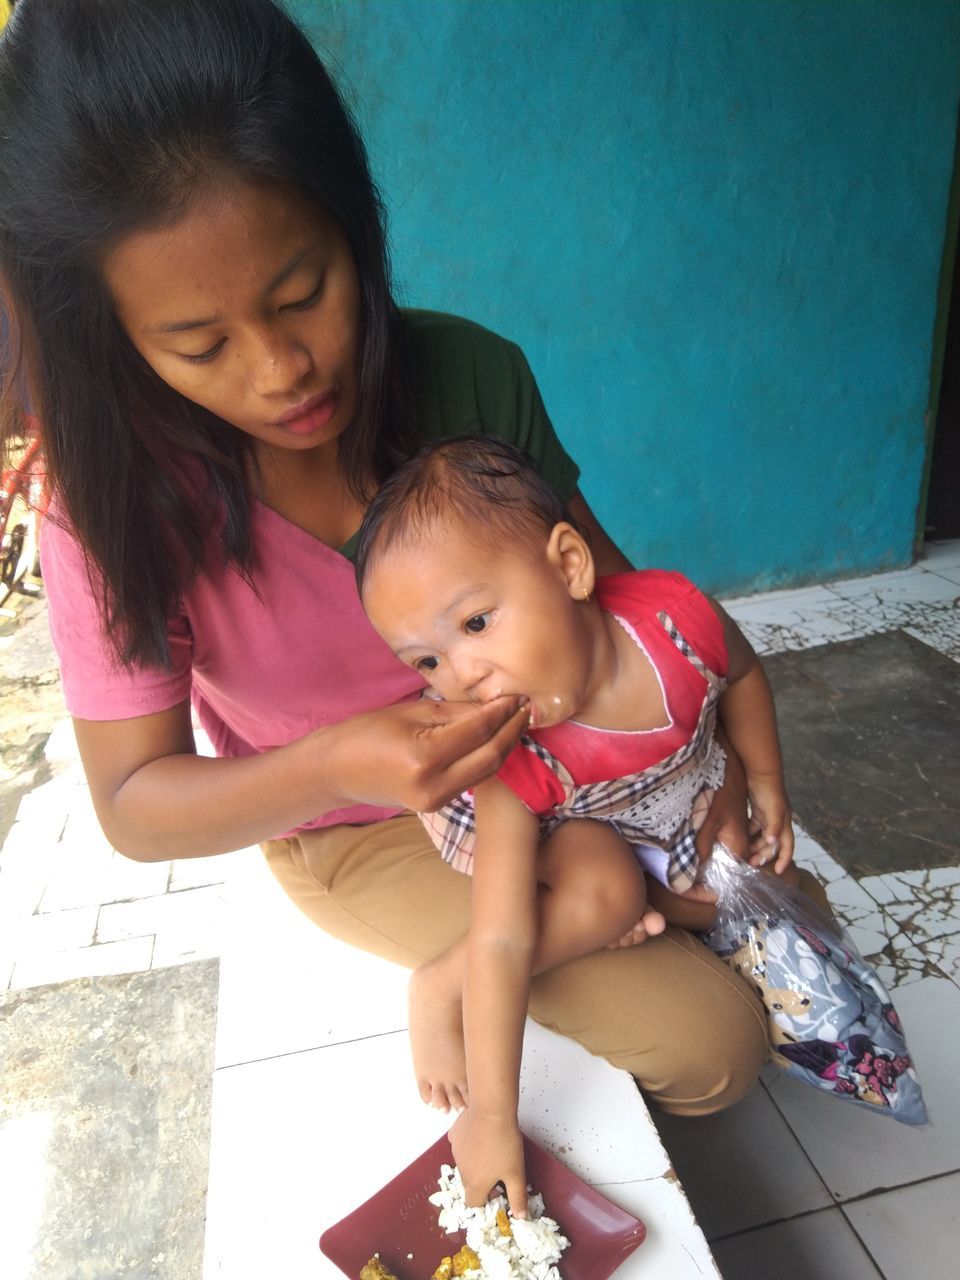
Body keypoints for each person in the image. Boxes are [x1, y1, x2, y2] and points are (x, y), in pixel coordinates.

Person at [0, 0, 795, 1207]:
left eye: (302, 288)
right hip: (351, 817)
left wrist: (707, 766)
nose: (280, 371)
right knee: (716, 1042)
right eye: (197, 343)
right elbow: (136, 803)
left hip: (555, 757)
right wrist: (344, 760)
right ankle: (471, 984)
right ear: (112, 336)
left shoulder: (468, 372)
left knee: (764, 916)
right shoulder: (110, 510)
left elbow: (622, 606)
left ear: (351, 219)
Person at [355, 435, 798, 1214]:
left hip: (648, 794)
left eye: (478, 623)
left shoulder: (674, 621)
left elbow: (743, 670)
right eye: (425, 663)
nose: (460, 677)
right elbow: (503, 932)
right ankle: (436, 986)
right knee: (609, 895)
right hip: (553, 821)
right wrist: (491, 1116)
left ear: (569, 565)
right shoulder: (508, 758)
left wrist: (764, 780)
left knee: (754, 896)